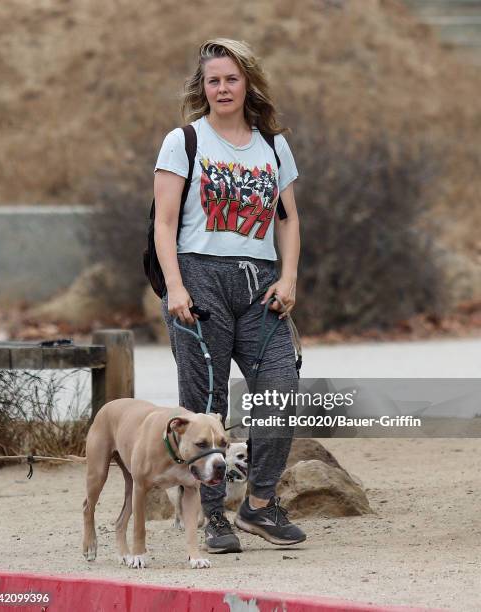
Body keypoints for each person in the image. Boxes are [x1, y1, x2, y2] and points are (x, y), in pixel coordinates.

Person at [153, 38, 306, 554]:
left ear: (248, 83)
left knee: (280, 389)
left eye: (231, 78)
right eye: (213, 80)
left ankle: (260, 505)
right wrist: (176, 287)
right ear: (203, 88)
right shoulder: (184, 141)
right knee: (204, 405)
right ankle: (211, 516)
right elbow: (165, 222)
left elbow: (288, 221)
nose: (222, 88)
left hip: (260, 284)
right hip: (200, 278)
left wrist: (287, 279)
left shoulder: (273, 144)